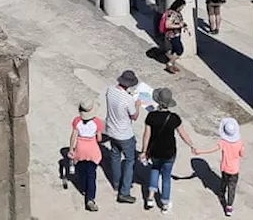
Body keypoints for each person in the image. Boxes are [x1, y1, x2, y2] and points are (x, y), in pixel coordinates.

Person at [140, 88, 197, 214]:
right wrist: (192, 145)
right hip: (169, 152)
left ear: (158, 102)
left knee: (155, 169)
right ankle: (164, 204)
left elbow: (146, 135)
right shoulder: (174, 118)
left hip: (154, 151)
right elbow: (183, 134)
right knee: (166, 177)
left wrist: (144, 151)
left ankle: (150, 198)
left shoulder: (151, 116)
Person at [104, 71, 143, 205]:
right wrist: (137, 105)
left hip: (111, 130)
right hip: (125, 134)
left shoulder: (110, 90)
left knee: (115, 156)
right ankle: (124, 192)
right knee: (129, 160)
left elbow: (117, 99)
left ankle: (116, 183)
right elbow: (134, 116)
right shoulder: (128, 100)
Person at [192, 117, 245, 216]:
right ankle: (229, 207)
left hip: (225, 168)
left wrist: (200, 151)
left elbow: (212, 149)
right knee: (232, 187)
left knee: (223, 181)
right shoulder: (239, 142)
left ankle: (221, 193)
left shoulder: (223, 142)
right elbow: (242, 154)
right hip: (234, 169)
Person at [69, 98, 105, 212]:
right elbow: (99, 138)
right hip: (92, 149)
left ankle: (83, 188)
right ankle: (90, 198)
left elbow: (73, 136)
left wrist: (71, 149)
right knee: (91, 174)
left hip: (80, 149)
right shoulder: (97, 122)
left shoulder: (76, 121)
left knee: (81, 170)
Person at [160, 0, 188, 74]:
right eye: (182, 6)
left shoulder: (176, 12)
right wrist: (179, 25)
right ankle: (169, 63)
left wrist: (182, 24)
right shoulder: (172, 13)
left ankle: (172, 65)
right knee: (180, 50)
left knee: (175, 50)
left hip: (176, 34)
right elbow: (167, 25)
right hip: (172, 35)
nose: (182, 8)